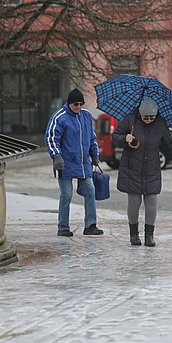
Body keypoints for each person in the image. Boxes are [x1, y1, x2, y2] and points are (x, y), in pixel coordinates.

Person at [112, 98, 172, 247]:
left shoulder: (161, 124)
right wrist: (124, 138)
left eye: (151, 117)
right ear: (140, 113)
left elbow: (171, 144)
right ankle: (134, 235)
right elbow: (115, 137)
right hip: (132, 168)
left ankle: (149, 236)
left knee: (151, 202)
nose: (148, 120)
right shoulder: (130, 120)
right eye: (145, 117)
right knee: (134, 203)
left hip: (152, 169)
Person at [45, 88, 103, 237]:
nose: (78, 107)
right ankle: (63, 227)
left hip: (83, 164)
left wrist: (94, 155)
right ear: (69, 103)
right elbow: (51, 138)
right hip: (65, 164)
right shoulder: (60, 117)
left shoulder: (86, 116)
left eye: (80, 104)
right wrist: (56, 156)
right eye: (75, 104)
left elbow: (91, 137)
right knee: (66, 195)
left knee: (90, 191)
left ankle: (91, 225)